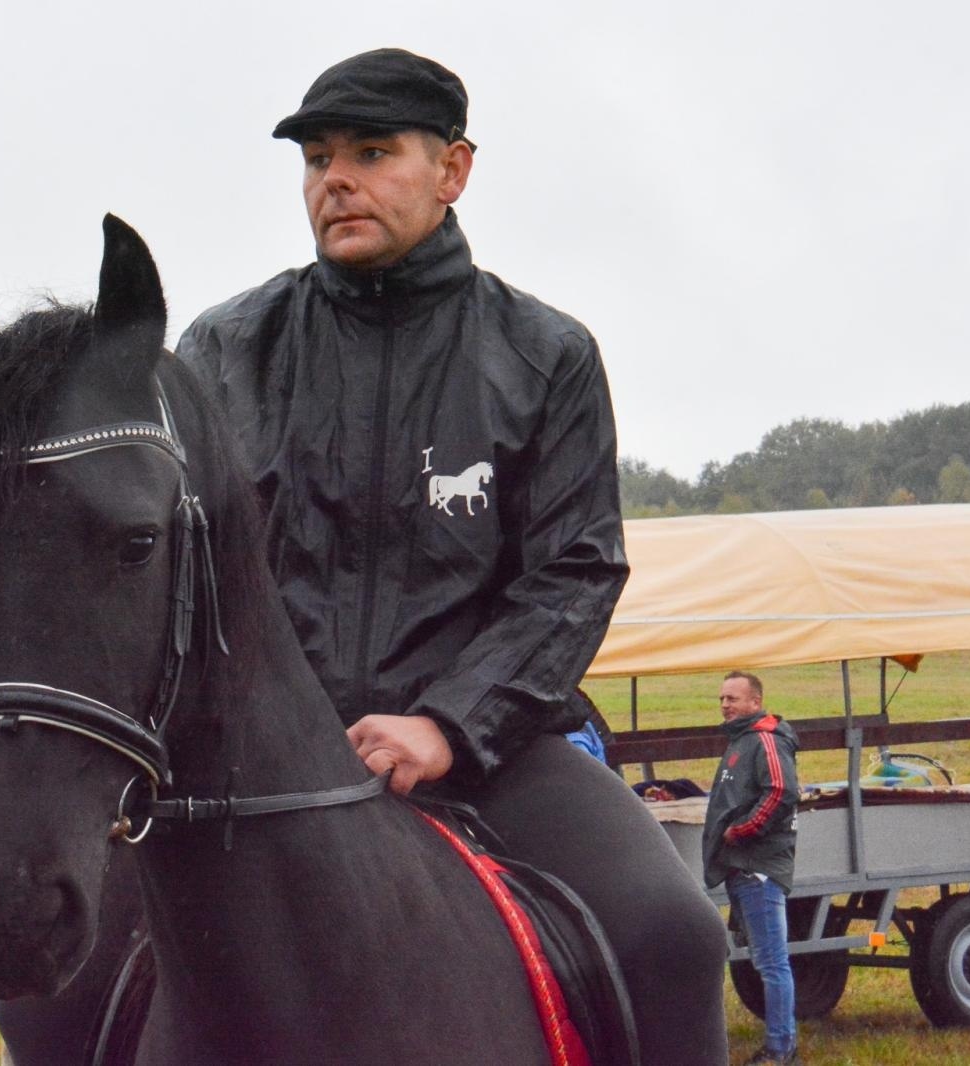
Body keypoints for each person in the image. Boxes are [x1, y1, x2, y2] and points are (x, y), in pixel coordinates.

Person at [177, 46, 728, 1065]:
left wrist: (445, 723)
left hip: (492, 759)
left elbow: (574, 573)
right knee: (60, 979)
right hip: (257, 770)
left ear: (453, 171)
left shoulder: (543, 354)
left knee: (675, 936)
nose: (332, 179)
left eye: (371, 151)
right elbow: (174, 567)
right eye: (316, 159)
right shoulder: (221, 350)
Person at [702, 671, 802, 1066]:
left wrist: (742, 831)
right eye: (722, 698)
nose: (726, 704)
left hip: (756, 869)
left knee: (772, 962)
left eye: (733, 698)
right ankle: (781, 1044)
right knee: (767, 961)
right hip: (742, 867)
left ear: (755, 702)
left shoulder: (765, 740)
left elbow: (781, 791)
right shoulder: (741, 740)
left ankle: (781, 1050)